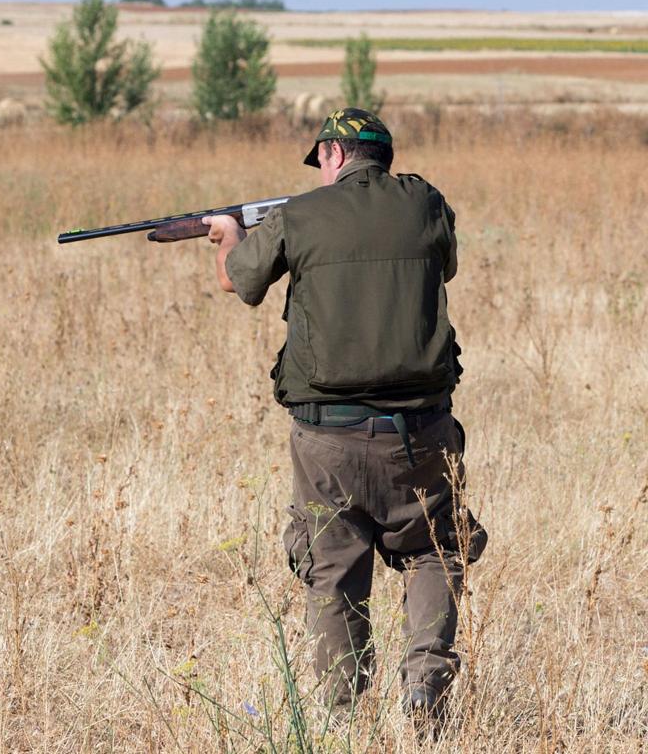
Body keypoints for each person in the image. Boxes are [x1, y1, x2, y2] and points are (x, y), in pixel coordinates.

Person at [202, 108, 486, 727]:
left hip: (328, 435)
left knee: (334, 567)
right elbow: (447, 263)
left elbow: (237, 283)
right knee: (435, 550)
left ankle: (341, 713)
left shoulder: (297, 215)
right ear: (383, 156)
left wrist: (227, 233)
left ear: (332, 154)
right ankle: (424, 687)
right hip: (423, 433)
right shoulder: (427, 203)